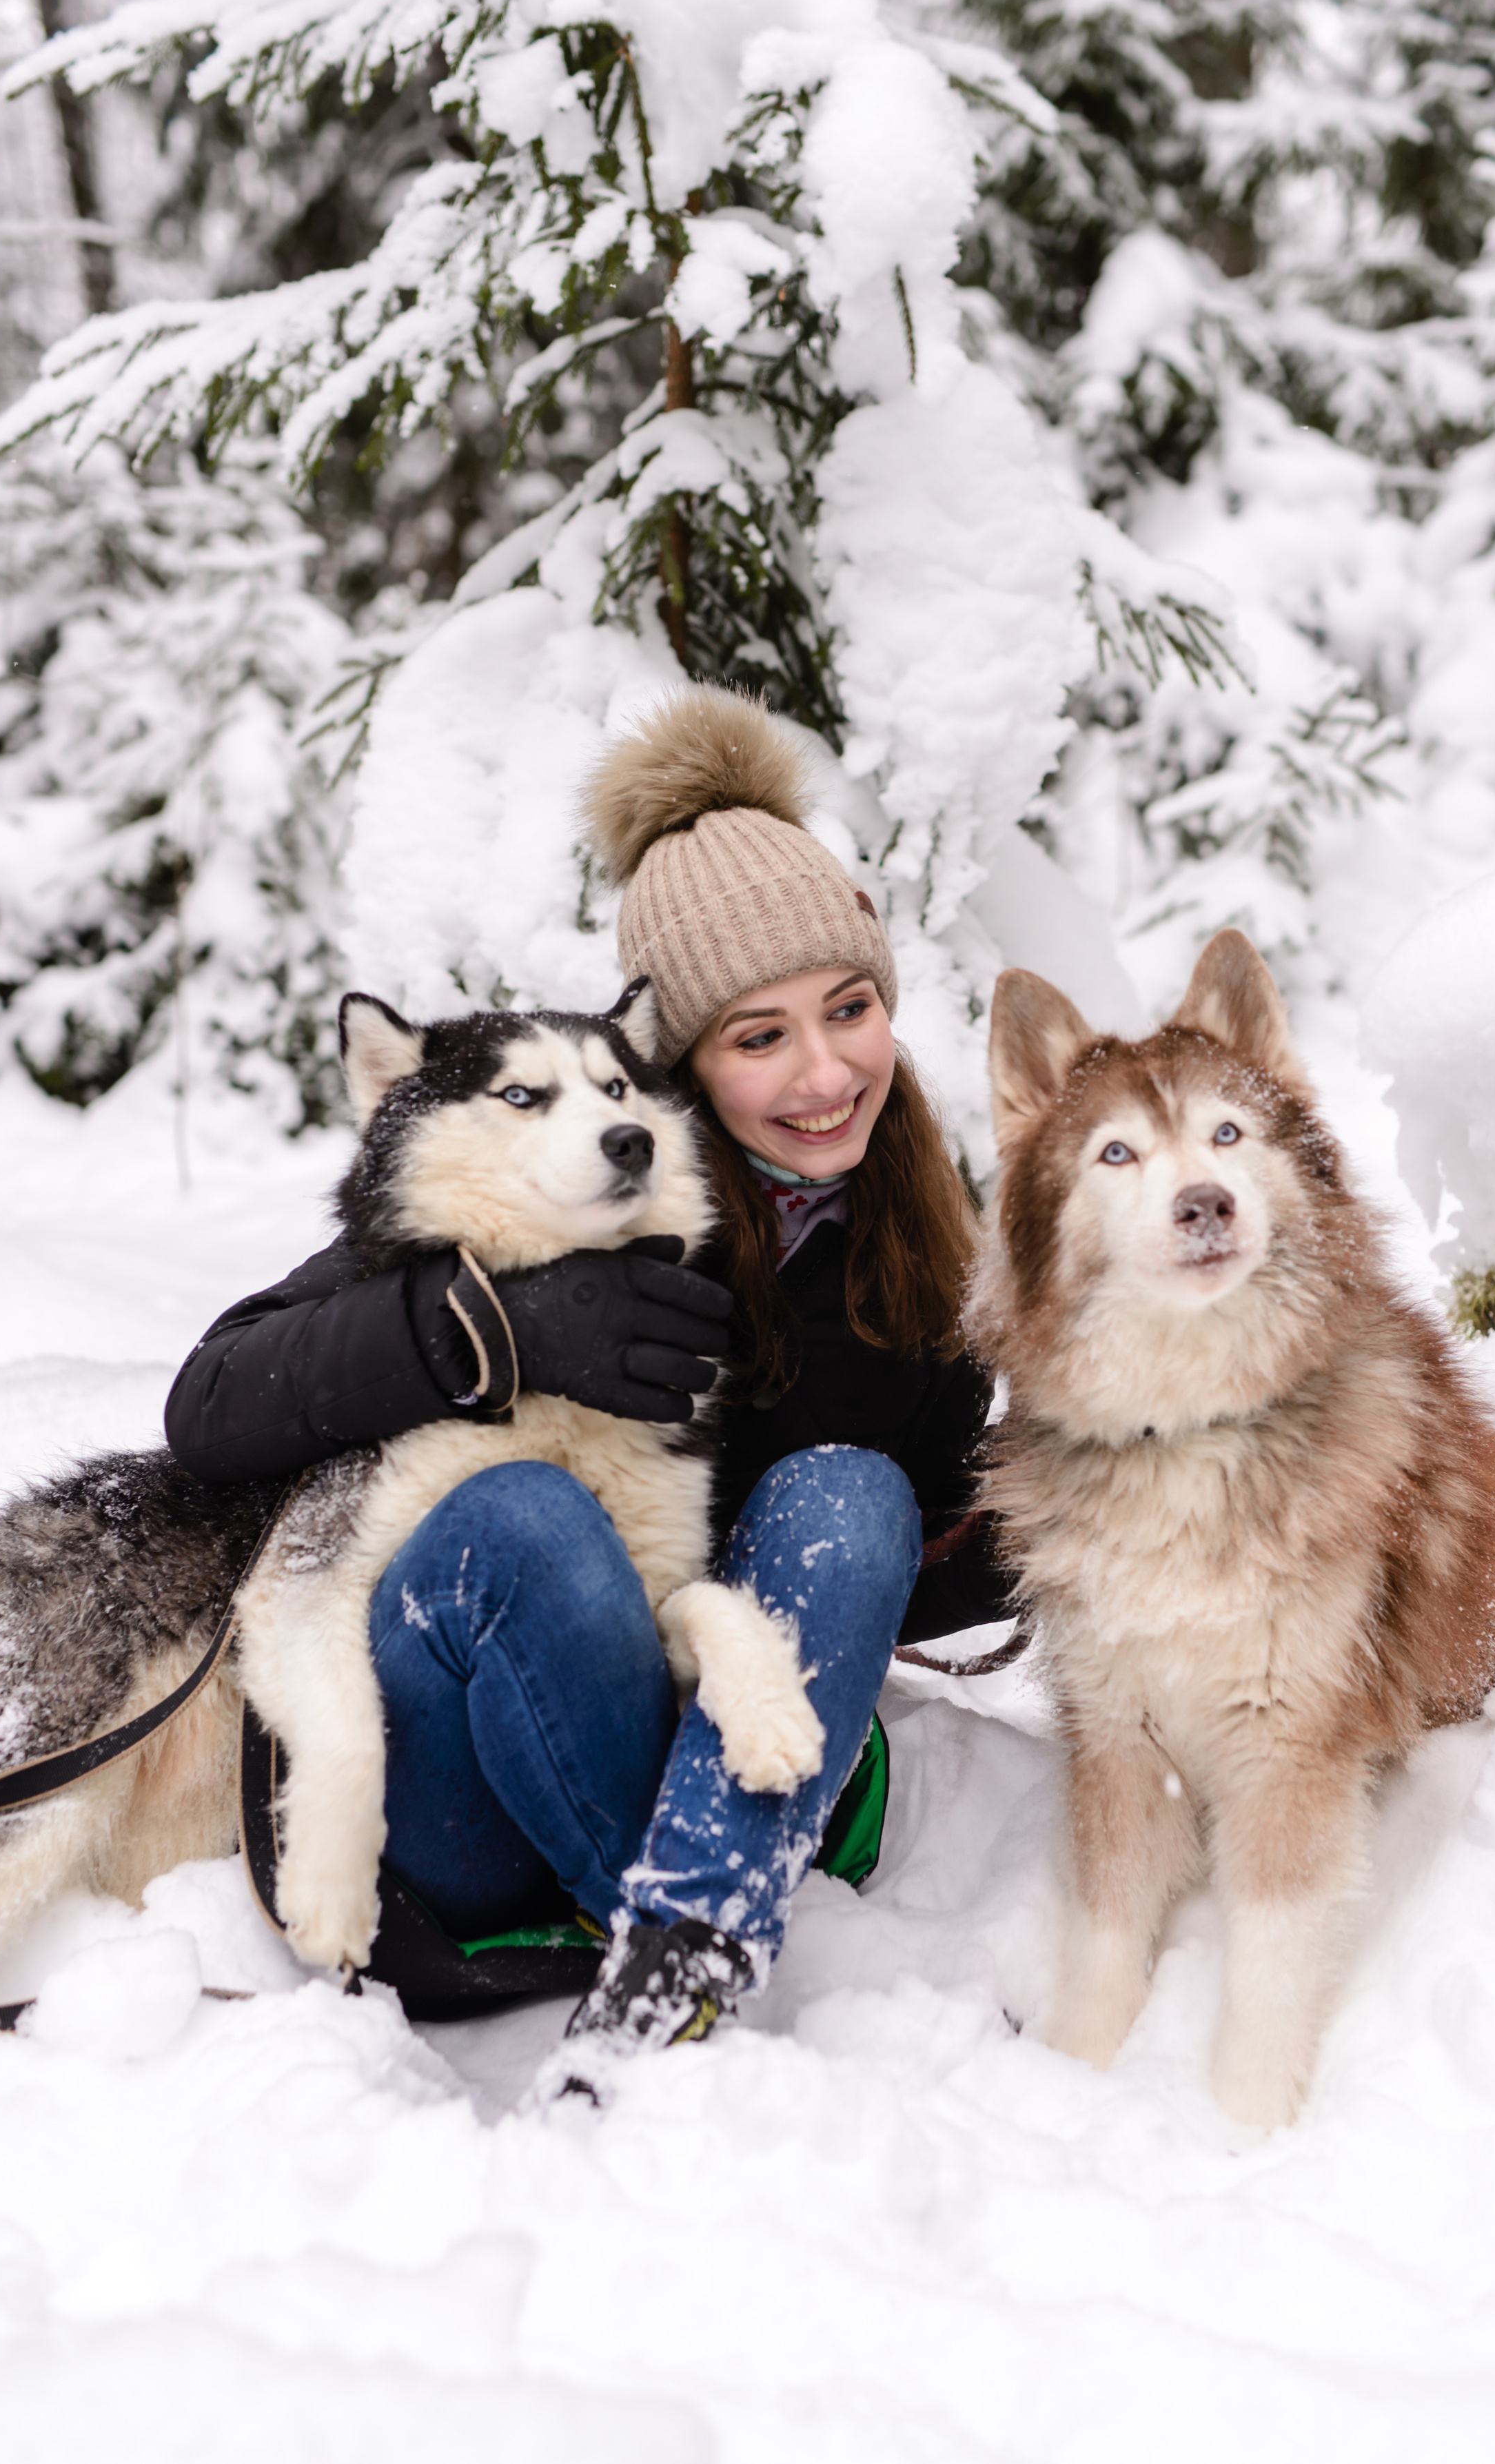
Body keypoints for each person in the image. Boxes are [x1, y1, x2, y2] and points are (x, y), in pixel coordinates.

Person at [164, 686, 1013, 2059]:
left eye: (848, 1009)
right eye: (757, 1036)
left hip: (727, 1737)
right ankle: (689, 1921)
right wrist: (484, 1329)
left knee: (851, 1497)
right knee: (521, 1519)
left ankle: (670, 1968)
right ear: (670, 1068)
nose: (823, 1071)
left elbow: (927, 1543)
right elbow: (211, 1406)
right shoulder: (551, 1194)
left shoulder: (917, 1241)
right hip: (474, 1770)